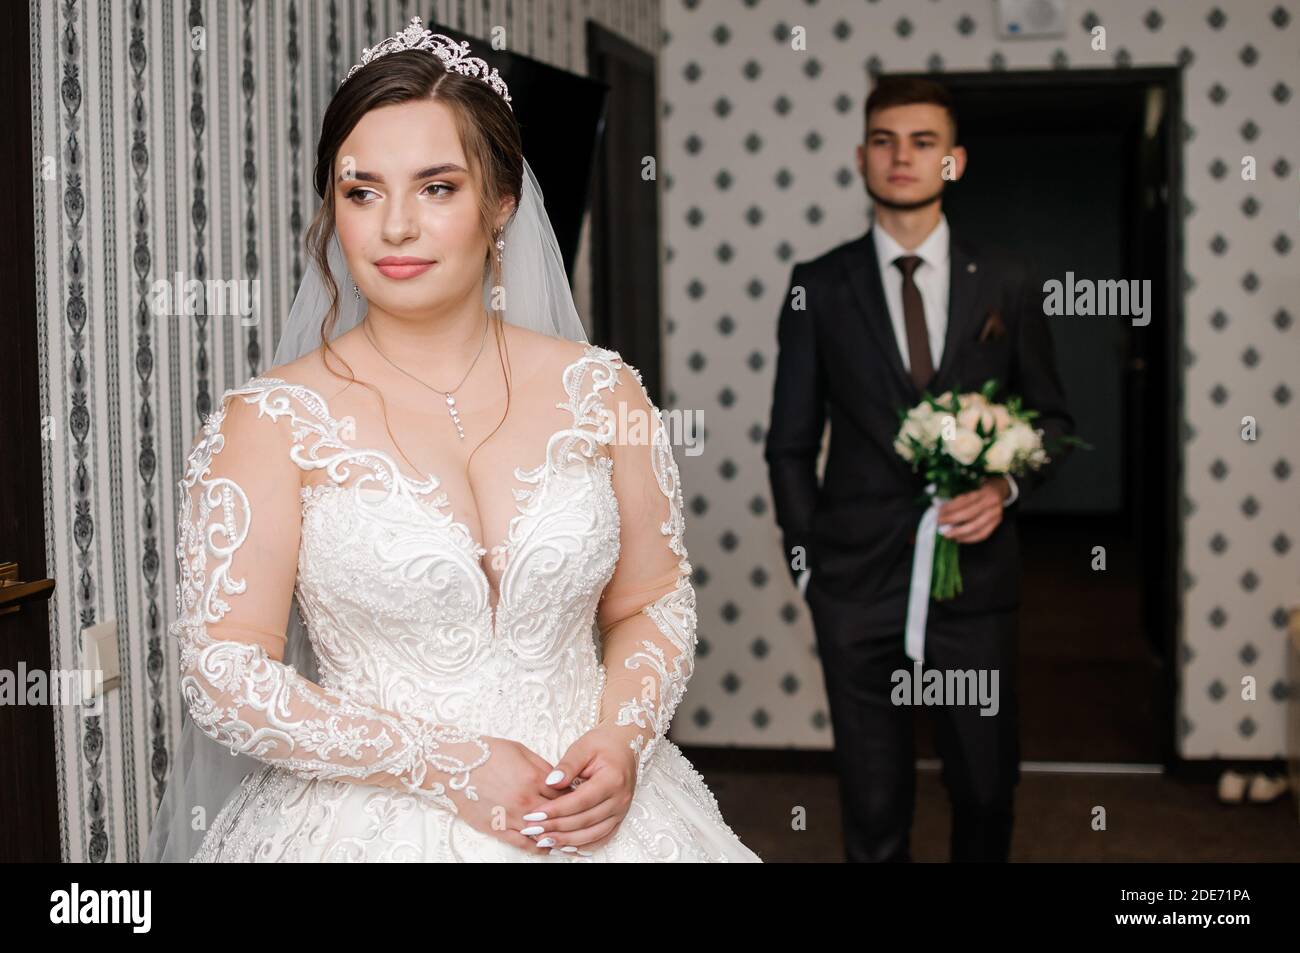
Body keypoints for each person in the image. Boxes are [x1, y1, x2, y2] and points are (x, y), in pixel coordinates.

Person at [145, 17, 760, 863]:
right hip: (371, 822)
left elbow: (651, 601)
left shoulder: (601, 389)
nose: (395, 226)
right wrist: (445, 764)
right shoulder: (271, 421)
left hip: (604, 813)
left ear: (501, 203)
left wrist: (620, 739)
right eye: (361, 191)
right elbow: (226, 674)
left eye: (437, 187)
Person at [764, 76, 1074, 862]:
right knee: (873, 804)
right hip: (855, 584)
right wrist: (812, 573)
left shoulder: (1006, 279)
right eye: (884, 140)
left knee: (983, 785)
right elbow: (789, 445)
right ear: (861, 156)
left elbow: (1055, 422)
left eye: (923, 141)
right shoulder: (819, 286)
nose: (902, 157)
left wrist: (1004, 487)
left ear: (955, 161)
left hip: (975, 585)